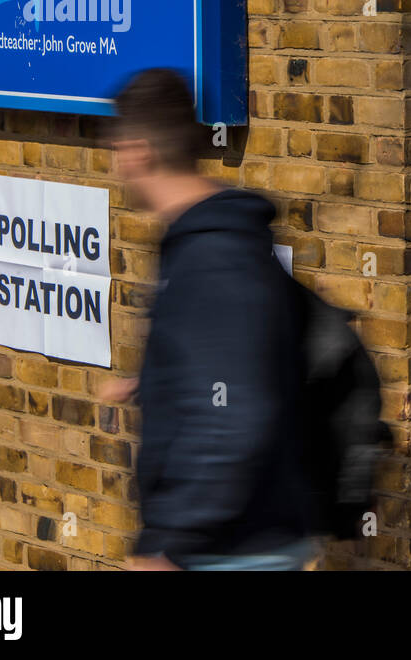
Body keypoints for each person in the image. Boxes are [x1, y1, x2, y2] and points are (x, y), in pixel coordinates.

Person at [102, 68, 320, 571]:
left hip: (229, 552)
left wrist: (171, 544)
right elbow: (233, 369)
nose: (117, 165)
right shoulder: (207, 242)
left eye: (117, 150)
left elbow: (237, 412)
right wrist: (157, 380)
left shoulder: (212, 256)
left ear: (138, 151)